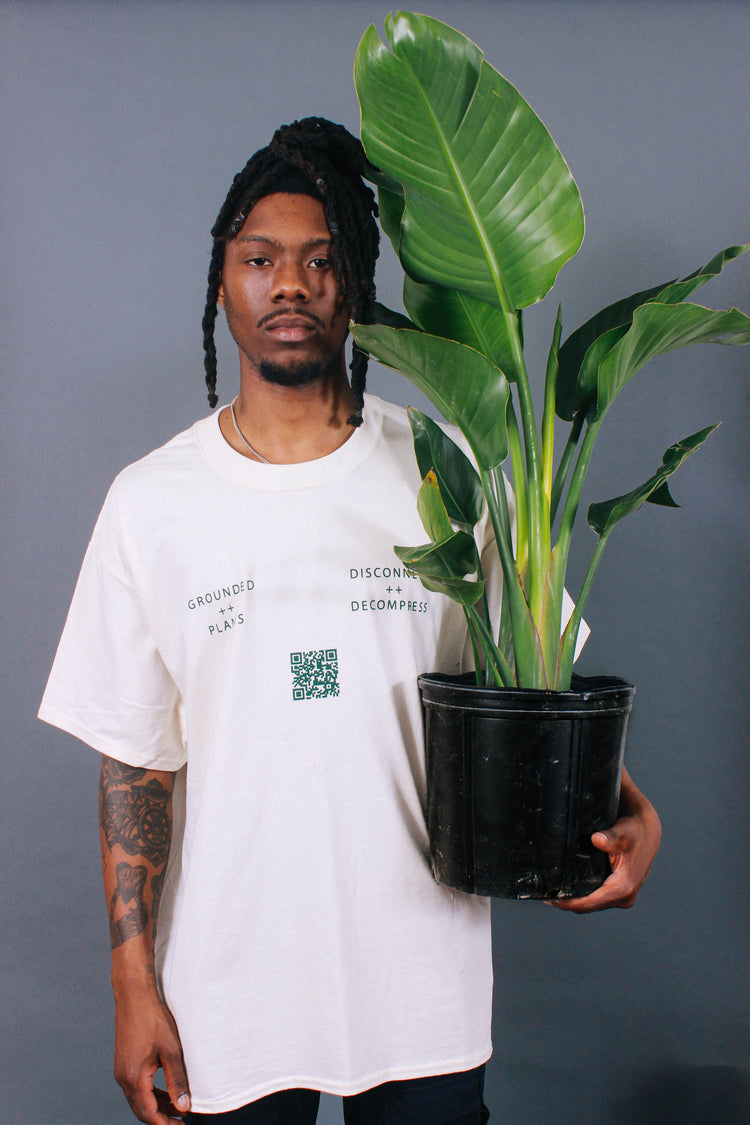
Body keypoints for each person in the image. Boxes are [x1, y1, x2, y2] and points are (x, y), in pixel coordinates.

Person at [39, 118, 661, 1125]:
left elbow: (527, 686)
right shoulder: (151, 503)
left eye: (323, 262)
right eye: (261, 260)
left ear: (358, 284)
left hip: (421, 980)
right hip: (227, 992)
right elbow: (135, 761)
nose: (291, 286)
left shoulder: (444, 468)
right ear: (222, 280)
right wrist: (131, 985)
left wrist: (631, 805)